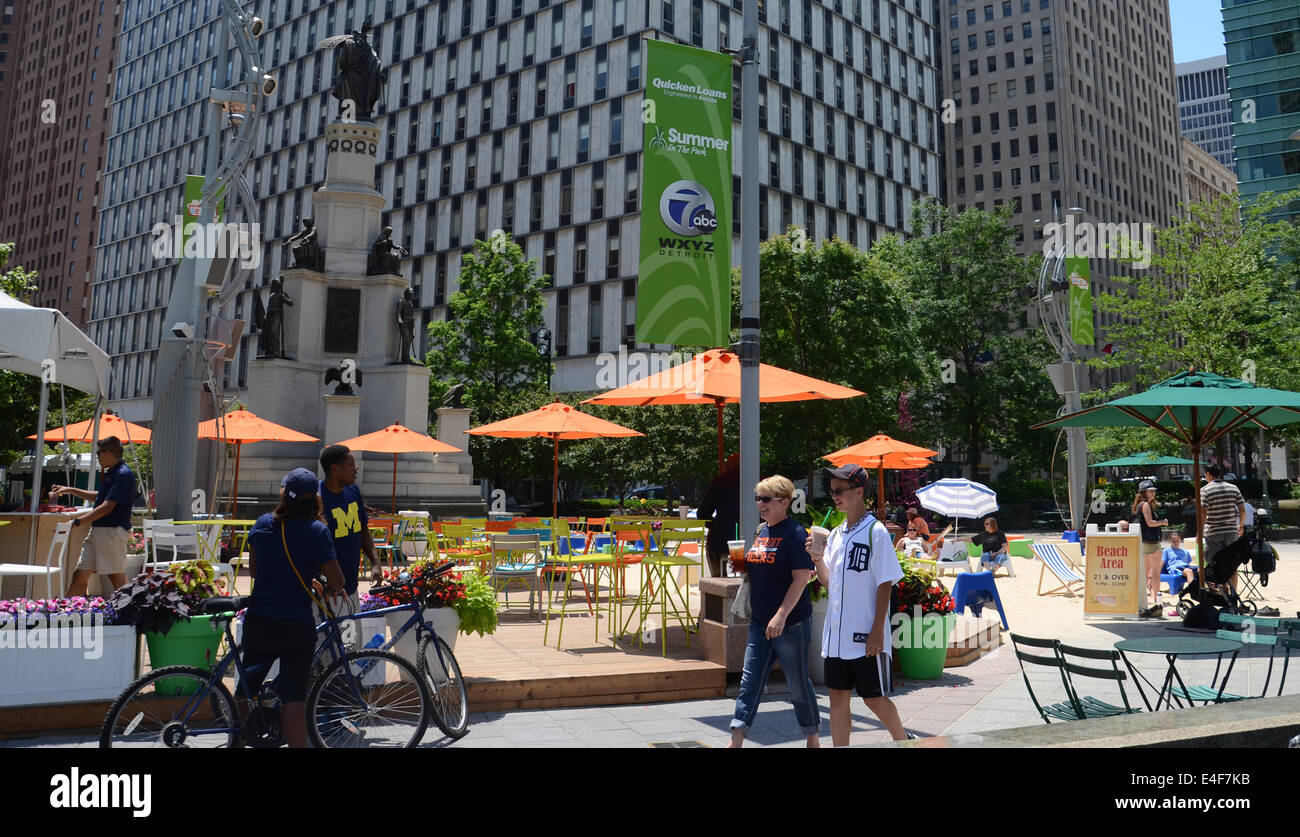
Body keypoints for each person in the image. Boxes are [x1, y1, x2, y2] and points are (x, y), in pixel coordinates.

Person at [807, 464, 911, 745]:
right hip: (836, 634)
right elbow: (829, 583)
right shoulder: (836, 534)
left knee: (874, 698)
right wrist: (817, 559)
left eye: (840, 491)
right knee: (837, 697)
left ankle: (904, 741)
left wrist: (878, 629)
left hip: (865, 634)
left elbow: (885, 583)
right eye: (832, 493)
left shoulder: (875, 531)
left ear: (860, 490)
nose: (835, 497)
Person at [242, 468, 344, 748]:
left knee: (245, 693)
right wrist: (322, 582)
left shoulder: (263, 524)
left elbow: (254, 571)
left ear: (285, 494)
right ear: (316, 498)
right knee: (294, 698)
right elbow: (337, 580)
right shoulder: (316, 530)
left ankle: (235, 741)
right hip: (296, 624)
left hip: (260, 619)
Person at [727, 475, 820, 748]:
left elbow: (801, 578)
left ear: (784, 501)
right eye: (758, 498)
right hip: (759, 620)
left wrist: (780, 616)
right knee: (749, 681)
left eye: (766, 499)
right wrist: (742, 565)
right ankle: (736, 739)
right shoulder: (761, 531)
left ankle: (813, 738)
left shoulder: (795, 534)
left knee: (798, 685)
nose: (760, 504)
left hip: (791, 623)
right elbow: (761, 566)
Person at [50, 437, 136, 598]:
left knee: (116, 576)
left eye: (98, 452)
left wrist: (78, 521)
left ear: (109, 452)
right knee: (80, 574)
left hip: (112, 531)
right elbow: (100, 497)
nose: (97, 456)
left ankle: (132, 614)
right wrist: (70, 489)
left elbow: (107, 506)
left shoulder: (124, 474)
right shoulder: (114, 472)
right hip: (98, 530)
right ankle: (67, 612)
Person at [319, 444, 383, 617]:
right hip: (331, 593)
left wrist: (375, 563)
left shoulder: (353, 490)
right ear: (335, 469)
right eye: (351, 464)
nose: (356, 468)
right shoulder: (318, 499)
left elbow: (363, 530)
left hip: (351, 588)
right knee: (335, 643)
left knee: (353, 643)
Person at [1200, 463, 1246, 591]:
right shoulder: (1233, 487)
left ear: (1208, 474)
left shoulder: (1205, 490)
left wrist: (1199, 532)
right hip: (1231, 531)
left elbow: (1203, 513)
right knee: (1232, 565)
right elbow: (1242, 510)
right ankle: (1233, 594)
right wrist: (1240, 526)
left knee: (1214, 565)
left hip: (1213, 532)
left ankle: (1219, 594)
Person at [696, 453, 740, 577]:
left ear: (729, 465)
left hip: (722, 540)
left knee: (714, 557)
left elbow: (702, 513)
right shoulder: (760, 481)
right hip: (754, 541)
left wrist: (714, 524)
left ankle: (718, 587)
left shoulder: (721, 481)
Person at [1133, 480, 1170, 617]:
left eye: (1153, 490)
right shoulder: (1146, 505)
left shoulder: (1140, 505)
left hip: (1143, 541)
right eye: (1150, 491)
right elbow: (1150, 523)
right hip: (1152, 542)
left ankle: (1146, 597)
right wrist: (1163, 522)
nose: (1153, 493)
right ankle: (1156, 598)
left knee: (1146, 570)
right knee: (1155, 571)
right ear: (1144, 492)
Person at [1161, 532, 1197, 604]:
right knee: (1188, 571)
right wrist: (1156, 573)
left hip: (1186, 567)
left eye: (1177, 540)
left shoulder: (1185, 552)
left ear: (1180, 540)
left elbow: (1188, 564)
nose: (1175, 542)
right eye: (1173, 541)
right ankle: (1193, 592)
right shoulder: (1167, 551)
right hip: (1175, 568)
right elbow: (1162, 562)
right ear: (1170, 541)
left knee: (1201, 570)